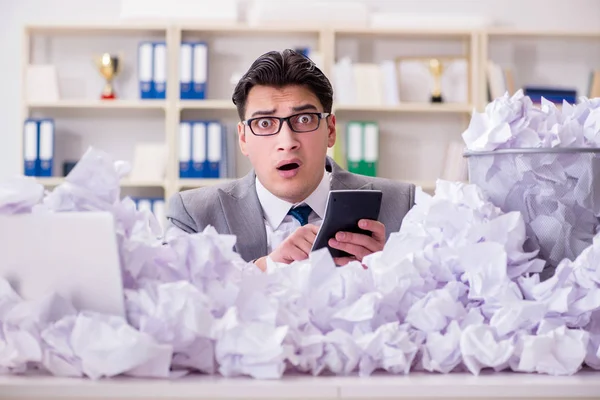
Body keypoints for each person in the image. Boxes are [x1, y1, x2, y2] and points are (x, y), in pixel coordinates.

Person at [166, 49, 415, 271]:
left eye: (304, 119)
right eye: (264, 123)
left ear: (330, 130)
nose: (287, 141)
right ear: (243, 138)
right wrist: (264, 269)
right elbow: (172, 304)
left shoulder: (403, 206)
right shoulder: (194, 215)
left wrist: (387, 270)